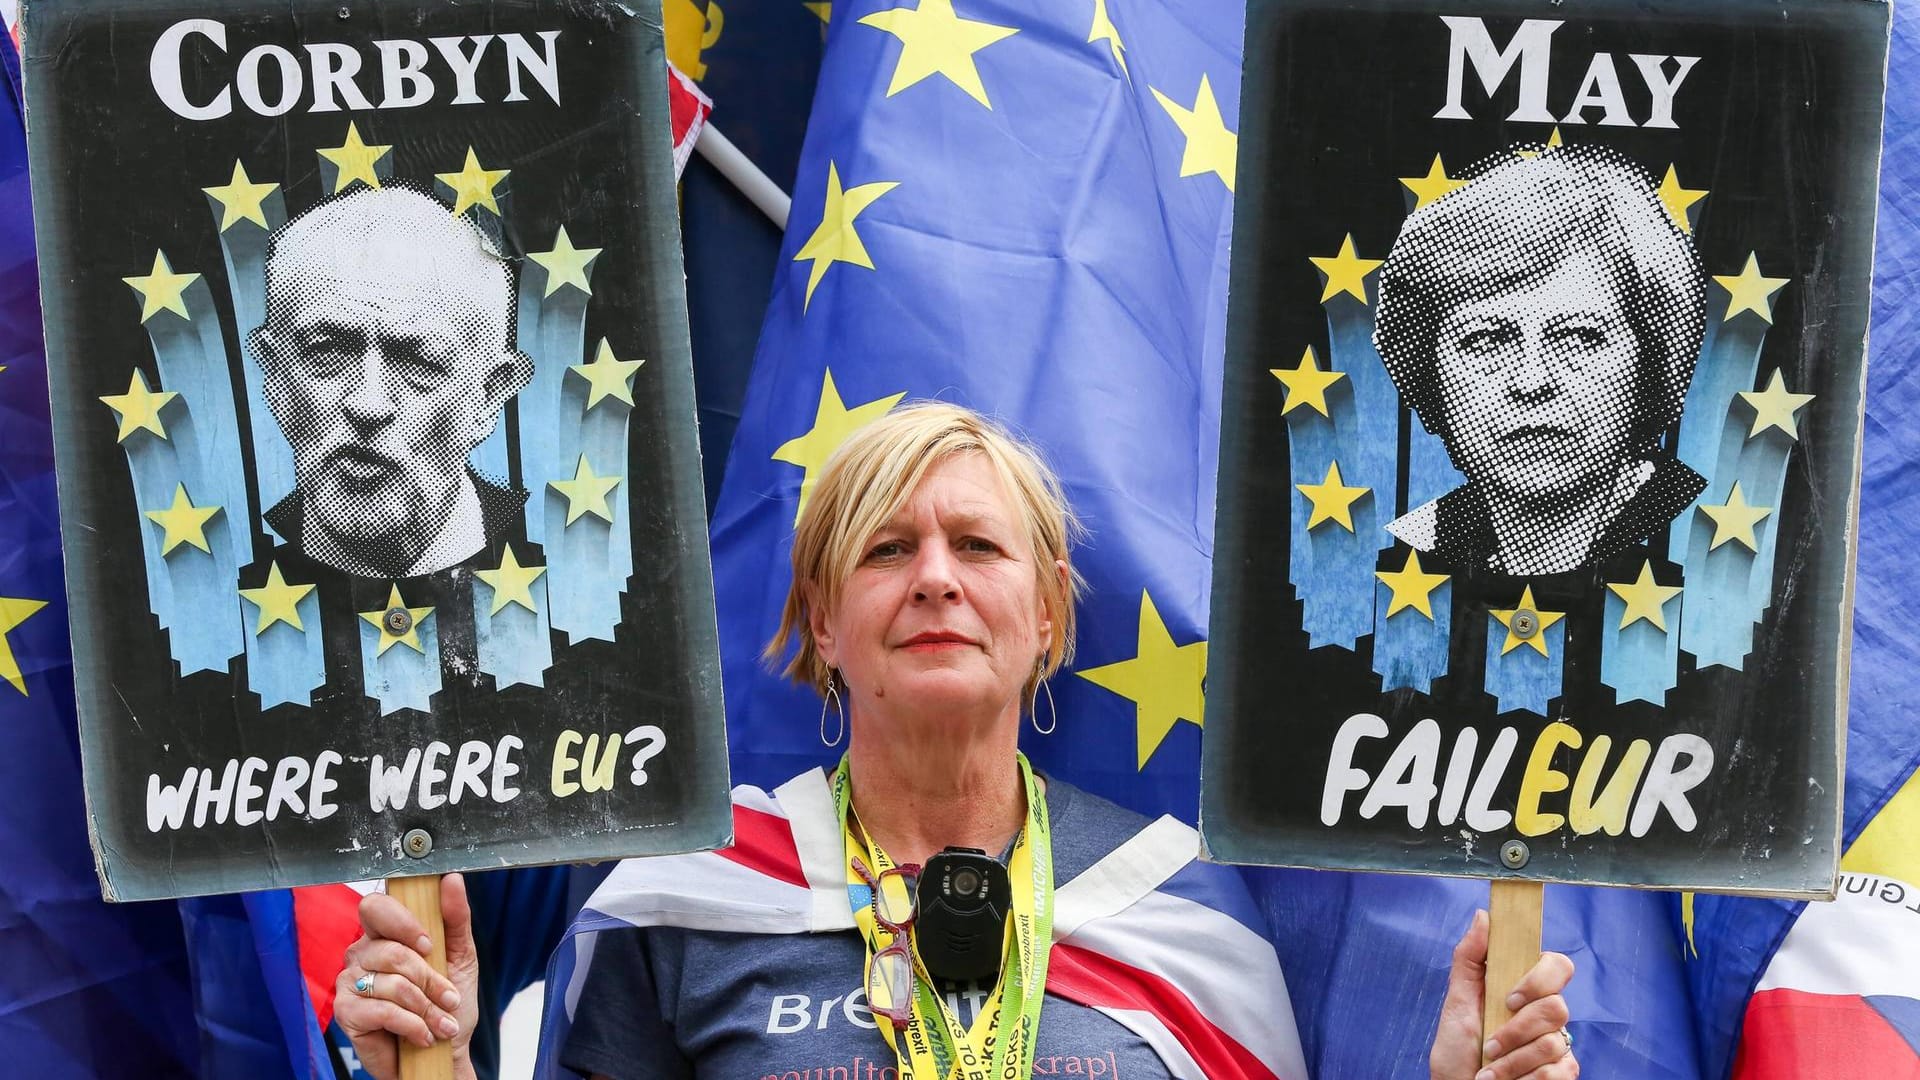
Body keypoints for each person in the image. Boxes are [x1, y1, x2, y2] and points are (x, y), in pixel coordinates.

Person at [335, 404, 1580, 1080]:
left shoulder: (1186, 913)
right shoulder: (680, 906)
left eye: (978, 548)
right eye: (886, 549)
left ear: (1045, 621)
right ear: (822, 623)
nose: (935, 579)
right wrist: (427, 1069)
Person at [1374, 143, 1707, 576]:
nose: (1531, 380)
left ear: (1652, 364)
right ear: (1428, 376)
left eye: (1580, 338)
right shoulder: (1415, 549)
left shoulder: (1698, 533)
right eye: (1486, 341)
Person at [251, 184, 532, 578]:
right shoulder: (240, 572)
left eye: (423, 362)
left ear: (488, 395)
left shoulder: (546, 563)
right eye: (328, 352)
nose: (368, 403)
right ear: (277, 376)